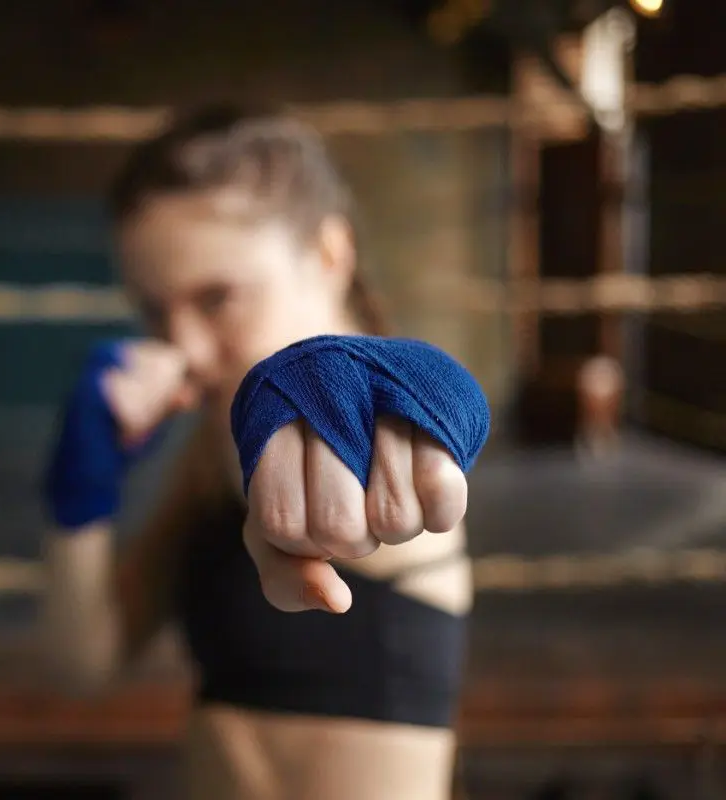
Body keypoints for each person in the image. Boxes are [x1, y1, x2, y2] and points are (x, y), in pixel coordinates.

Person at [39, 105, 489, 800]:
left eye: (217, 298)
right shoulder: (213, 448)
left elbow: (398, 435)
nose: (184, 346)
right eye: (156, 312)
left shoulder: (375, 437)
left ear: (329, 257)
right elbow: (85, 664)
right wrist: (80, 494)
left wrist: (398, 387)